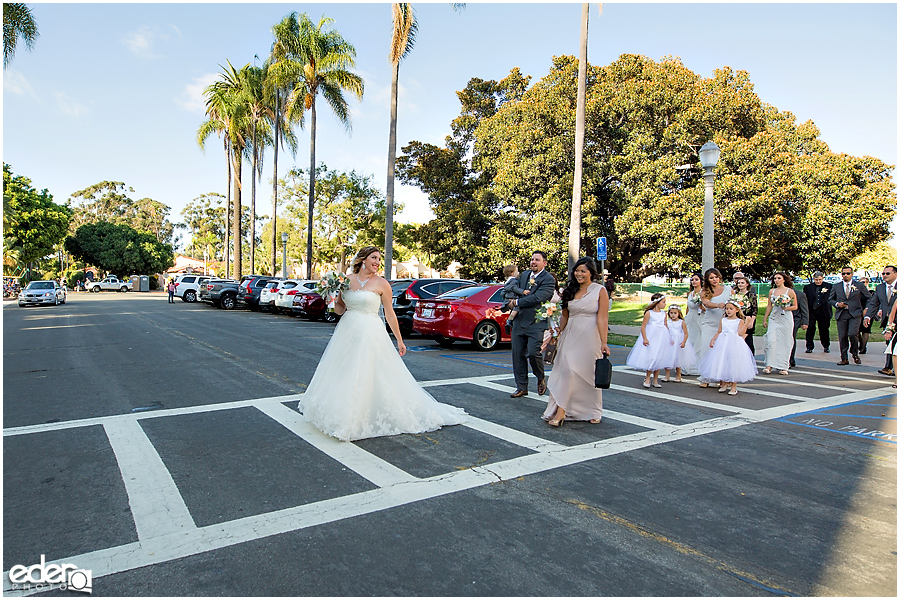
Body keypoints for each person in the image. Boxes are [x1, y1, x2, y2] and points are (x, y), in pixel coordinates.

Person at [298, 246, 466, 441]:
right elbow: (340, 310)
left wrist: (400, 340)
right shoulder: (347, 280)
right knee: (343, 372)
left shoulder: (382, 284)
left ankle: (355, 419)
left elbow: (389, 313)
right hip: (347, 332)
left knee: (363, 373)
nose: (377, 262)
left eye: (379, 259)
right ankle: (339, 415)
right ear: (362, 260)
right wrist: (333, 297)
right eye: (374, 258)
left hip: (370, 333)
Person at [542, 257, 610, 427]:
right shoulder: (569, 291)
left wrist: (604, 342)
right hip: (570, 335)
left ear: (591, 273)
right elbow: (565, 315)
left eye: (583, 271)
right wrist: (559, 332)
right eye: (577, 270)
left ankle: (593, 411)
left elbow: (603, 318)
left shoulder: (600, 290)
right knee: (567, 371)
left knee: (587, 374)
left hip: (590, 336)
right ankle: (561, 411)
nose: (579, 274)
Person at [508, 251, 557, 398]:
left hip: (536, 322)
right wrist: (513, 300)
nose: (533, 262)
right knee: (517, 355)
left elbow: (538, 298)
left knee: (532, 353)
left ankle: (540, 377)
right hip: (520, 321)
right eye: (532, 259)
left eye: (537, 260)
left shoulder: (548, 279)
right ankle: (521, 387)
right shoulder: (524, 275)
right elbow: (514, 289)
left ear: (544, 263)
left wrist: (517, 302)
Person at [697, 299, 758, 395]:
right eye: (727, 309)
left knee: (733, 363)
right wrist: (713, 339)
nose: (728, 311)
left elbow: (740, 333)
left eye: (731, 308)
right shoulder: (723, 320)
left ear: (737, 310)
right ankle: (724, 383)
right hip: (722, 343)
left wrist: (746, 323)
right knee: (722, 361)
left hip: (734, 343)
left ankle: (733, 386)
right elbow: (719, 331)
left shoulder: (739, 321)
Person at [626, 293, 673, 388]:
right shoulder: (649, 313)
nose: (665, 304)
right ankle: (648, 377)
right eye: (663, 302)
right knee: (652, 357)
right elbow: (643, 326)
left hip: (661, 337)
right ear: (656, 302)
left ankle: (655, 379)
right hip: (652, 337)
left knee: (659, 358)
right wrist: (645, 338)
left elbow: (665, 325)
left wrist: (669, 337)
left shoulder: (664, 314)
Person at [828, 266, 871, 366]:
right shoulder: (836, 286)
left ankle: (855, 353)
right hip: (842, 313)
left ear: (852, 274)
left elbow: (869, 298)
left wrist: (866, 309)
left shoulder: (859, 285)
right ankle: (844, 358)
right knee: (842, 336)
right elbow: (830, 299)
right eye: (843, 274)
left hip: (855, 313)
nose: (845, 275)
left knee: (852, 334)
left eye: (848, 273)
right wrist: (837, 304)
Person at [698, 268, 732, 386]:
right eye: (711, 278)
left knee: (722, 351)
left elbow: (735, 302)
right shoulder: (704, 291)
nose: (714, 280)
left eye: (716, 277)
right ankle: (705, 377)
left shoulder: (728, 289)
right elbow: (706, 303)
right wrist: (717, 305)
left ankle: (720, 376)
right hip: (710, 324)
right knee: (707, 348)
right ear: (707, 279)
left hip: (724, 324)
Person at [864, 265, 897, 376]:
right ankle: (888, 367)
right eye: (883, 273)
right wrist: (868, 316)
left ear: (896, 274)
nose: (884, 276)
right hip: (888, 320)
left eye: (887, 273)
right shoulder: (880, 288)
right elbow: (874, 303)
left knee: (895, 344)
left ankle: (890, 367)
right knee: (890, 343)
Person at [762, 272, 798, 374]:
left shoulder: (789, 291)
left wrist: (786, 307)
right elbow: (769, 305)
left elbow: (795, 306)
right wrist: (765, 319)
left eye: (779, 278)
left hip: (785, 317)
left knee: (785, 340)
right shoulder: (772, 291)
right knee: (771, 340)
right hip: (774, 317)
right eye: (775, 278)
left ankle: (784, 365)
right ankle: (769, 365)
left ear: (784, 279)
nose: (776, 280)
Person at [663, 304, 694, 382]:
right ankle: (667, 375)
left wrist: (684, 342)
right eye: (671, 313)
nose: (673, 315)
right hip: (669, 342)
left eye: (675, 313)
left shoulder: (681, 322)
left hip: (678, 342)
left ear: (679, 313)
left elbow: (686, 333)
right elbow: (665, 331)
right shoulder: (667, 322)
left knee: (678, 358)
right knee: (668, 358)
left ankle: (678, 375)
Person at [803, 271, 833, 354]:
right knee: (810, 329)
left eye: (820, 279)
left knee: (824, 330)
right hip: (812, 311)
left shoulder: (829, 286)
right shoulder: (808, 287)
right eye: (816, 280)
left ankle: (826, 346)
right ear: (814, 279)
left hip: (824, 312)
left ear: (823, 278)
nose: (818, 281)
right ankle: (809, 346)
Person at [684, 272, 705, 373]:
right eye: (692, 280)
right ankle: (686, 364)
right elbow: (688, 307)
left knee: (697, 340)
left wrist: (701, 306)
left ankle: (696, 365)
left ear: (701, 281)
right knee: (687, 339)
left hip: (699, 317)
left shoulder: (703, 292)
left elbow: (706, 307)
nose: (694, 281)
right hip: (689, 318)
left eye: (696, 279)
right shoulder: (690, 293)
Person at [733, 276, 758, 355]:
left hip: (748, 318)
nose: (740, 284)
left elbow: (754, 309)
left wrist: (752, 321)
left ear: (747, 284)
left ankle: (750, 357)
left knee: (748, 340)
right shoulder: (735, 295)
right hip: (738, 318)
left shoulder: (751, 295)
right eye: (739, 283)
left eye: (742, 283)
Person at [501, 264, 528, 334]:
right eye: (517, 271)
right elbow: (514, 288)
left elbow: (502, 292)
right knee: (517, 307)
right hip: (513, 298)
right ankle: (509, 321)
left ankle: (510, 322)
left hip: (508, 298)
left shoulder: (507, 282)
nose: (518, 273)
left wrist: (505, 298)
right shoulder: (513, 281)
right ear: (512, 273)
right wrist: (523, 291)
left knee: (513, 310)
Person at [789, 283, 809, 368]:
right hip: (781, 318)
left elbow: (804, 309)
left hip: (795, 319)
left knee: (791, 337)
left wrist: (805, 322)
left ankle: (790, 359)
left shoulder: (800, 295)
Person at [857, 276, 872, 354]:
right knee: (856, 331)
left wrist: (866, 309)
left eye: (864, 282)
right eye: (861, 282)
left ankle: (863, 347)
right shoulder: (856, 292)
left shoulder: (871, 292)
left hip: (868, 312)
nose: (863, 284)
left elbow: (872, 302)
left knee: (865, 330)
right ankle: (861, 343)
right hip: (857, 312)